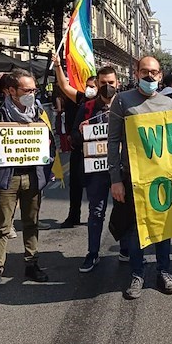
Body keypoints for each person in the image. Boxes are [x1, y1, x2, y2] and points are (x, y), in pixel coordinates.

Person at [0, 69, 57, 295]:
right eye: (27, 90)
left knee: (31, 223)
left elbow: (51, 147)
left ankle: (32, 264)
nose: (33, 93)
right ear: (11, 91)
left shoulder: (39, 115)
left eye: (34, 89)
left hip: (32, 178)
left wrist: (45, 170)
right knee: (1, 227)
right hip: (5, 180)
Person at [108, 56, 172, 299]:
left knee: (164, 228)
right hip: (132, 178)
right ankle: (137, 273)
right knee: (135, 231)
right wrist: (115, 179)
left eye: (155, 72)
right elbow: (113, 141)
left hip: (163, 178)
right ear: (136, 73)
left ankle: (164, 271)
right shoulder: (122, 100)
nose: (150, 76)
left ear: (161, 75)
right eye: (145, 71)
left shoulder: (170, 104)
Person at [71, 66, 120, 272]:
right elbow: (73, 138)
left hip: (122, 169)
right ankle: (92, 253)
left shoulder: (125, 105)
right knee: (96, 212)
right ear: (97, 83)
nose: (107, 86)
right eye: (103, 83)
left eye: (111, 83)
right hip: (96, 170)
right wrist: (80, 132)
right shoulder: (87, 107)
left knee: (124, 210)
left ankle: (126, 249)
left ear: (117, 83)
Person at [53, 53, 98, 228]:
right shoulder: (81, 99)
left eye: (93, 87)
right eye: (88, 86)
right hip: (80, 149)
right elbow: (64, 86)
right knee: (75, 184)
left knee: (98, 186)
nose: (89, 89)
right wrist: (57, 66)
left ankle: (97, 216)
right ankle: (74, 215)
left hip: (99, 151)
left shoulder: (111, 103)